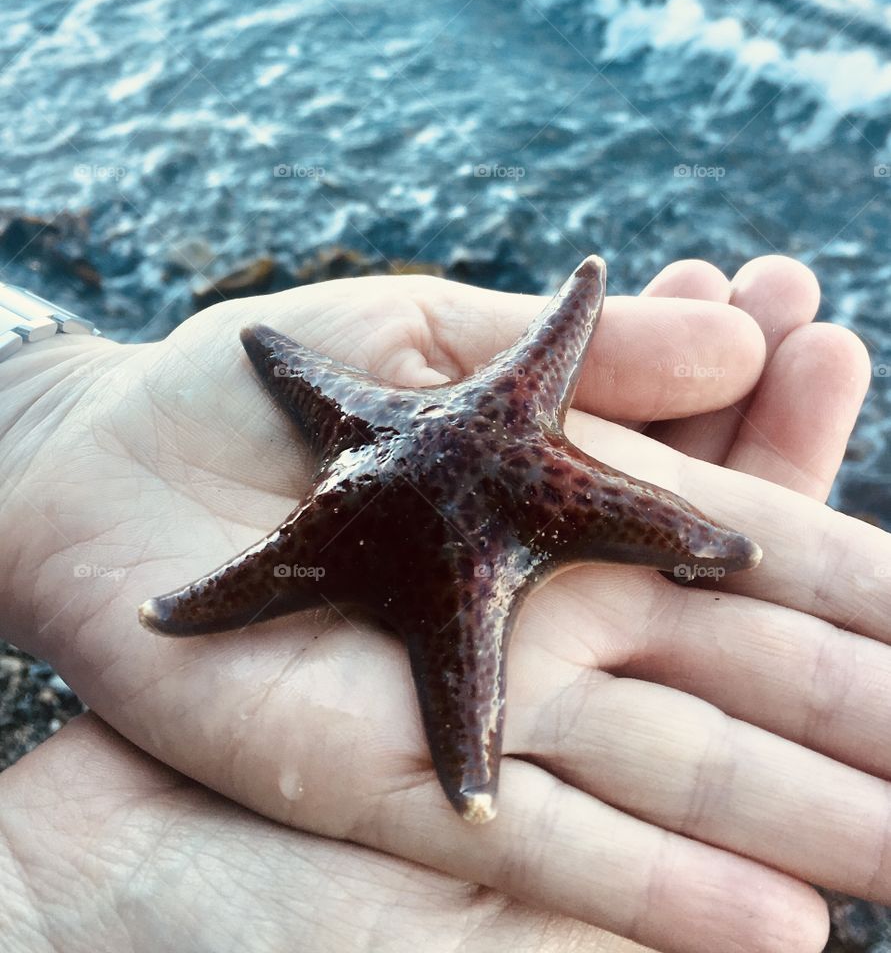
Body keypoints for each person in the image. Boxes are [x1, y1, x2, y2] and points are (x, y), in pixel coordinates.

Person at [0, 252, 885, 953]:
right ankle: (469, 778)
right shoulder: (459, 442)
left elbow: (534, 359)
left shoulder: (446, 424)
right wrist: (39, 408)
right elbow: (300, 368)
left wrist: (32, 405)